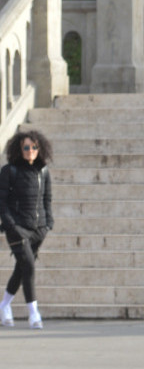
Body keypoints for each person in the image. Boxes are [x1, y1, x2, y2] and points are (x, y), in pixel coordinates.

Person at [0, 130, 54, 330]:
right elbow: (2, 202)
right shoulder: (9, 171)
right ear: (19, 149)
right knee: (29, 266)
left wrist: (48, 223)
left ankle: (4, 306)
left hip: (38, 229)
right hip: (17, 229)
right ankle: (34, 314)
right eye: (26, 147)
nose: (30, 151)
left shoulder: (43, 171)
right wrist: (10, 225)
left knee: (21, 268)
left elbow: (47, 199)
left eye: (33, 147)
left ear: (39, 149)